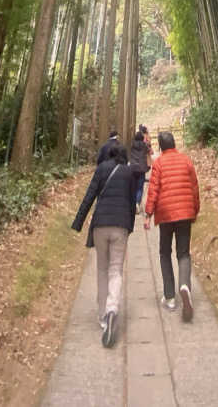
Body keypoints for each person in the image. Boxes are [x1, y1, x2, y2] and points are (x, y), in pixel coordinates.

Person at [72, 141, 136, 348]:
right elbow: (131, 201)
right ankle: (112, 309)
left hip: (100, 225)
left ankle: (102, 316)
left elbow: (89, 196)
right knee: (116, 270)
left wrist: (78, 222)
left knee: (101, 269)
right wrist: (130, 227)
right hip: (120, 226)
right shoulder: (128, 173)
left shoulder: (101, 169)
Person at [143, 130, 200, 322]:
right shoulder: (186, 160)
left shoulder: (158, 163)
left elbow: (153, 190)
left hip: (166, 214)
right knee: (183, 252)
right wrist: (195, 210)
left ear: (160, 146)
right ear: (174, 144)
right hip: (185, 212)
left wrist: (148, 214)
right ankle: (184, 286)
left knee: (164, 252)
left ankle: (169, 298)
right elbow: (194, 187)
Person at [128, 130, 149, 213]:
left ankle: (132, 203)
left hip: (132, 168)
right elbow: (148, 151)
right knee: (140, 188)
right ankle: (137, 203)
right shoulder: (144, 146)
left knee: (133, 187)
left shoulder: (132, 145)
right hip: (141, 169)